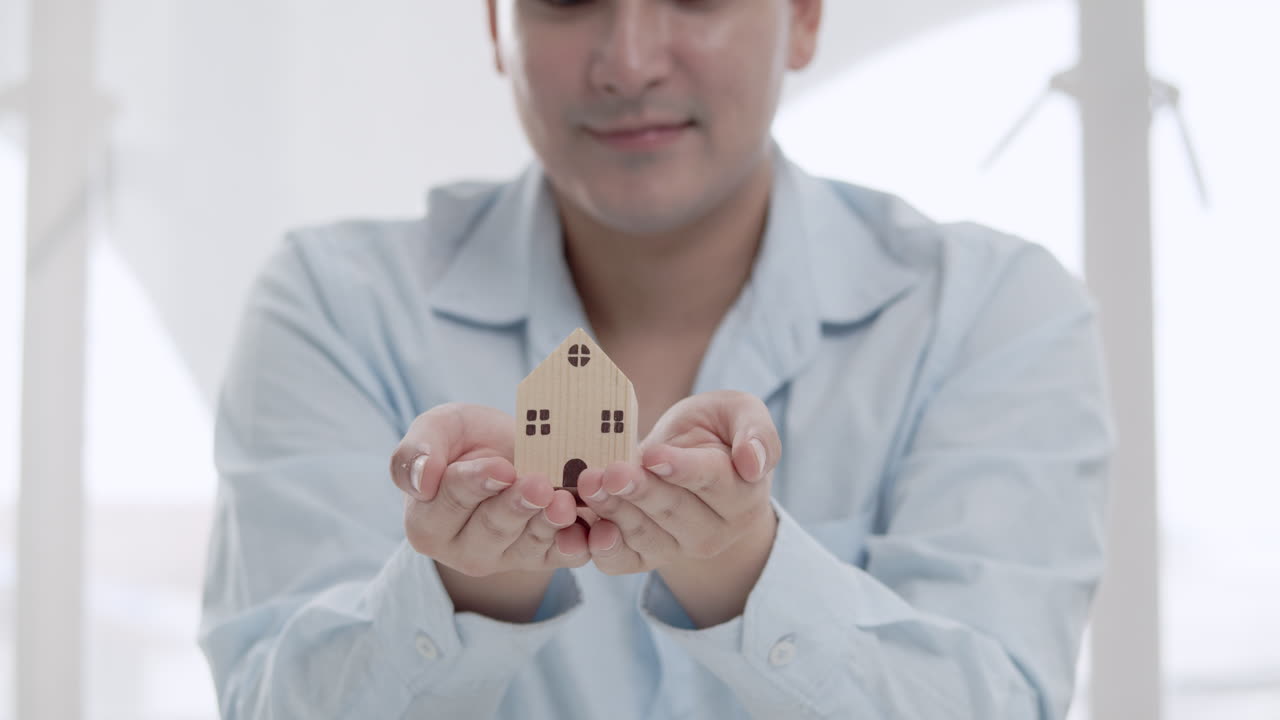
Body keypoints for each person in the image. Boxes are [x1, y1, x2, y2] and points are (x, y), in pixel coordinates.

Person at [198, 1, 1114, 717]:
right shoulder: (335, 306)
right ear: (495, 22)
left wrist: (746, 571)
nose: (629, 61)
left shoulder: (991, 311)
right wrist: (464, 584)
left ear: (804, 14)